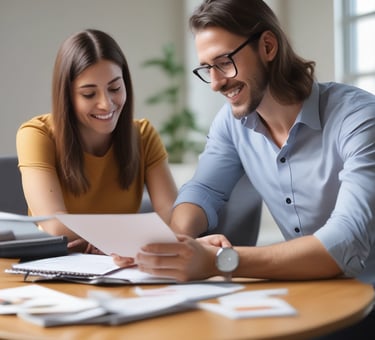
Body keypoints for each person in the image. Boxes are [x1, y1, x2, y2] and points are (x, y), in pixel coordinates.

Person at [114, 0, 375, 337]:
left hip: (367, 303)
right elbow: (203, 190)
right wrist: (176, 244)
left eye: (224, 62)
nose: (216, 83)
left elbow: (345, 241)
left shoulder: (359, 118)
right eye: (207, 68)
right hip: (310, 295)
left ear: (267, 46)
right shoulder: (232, 123)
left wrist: (220, 261)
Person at [16, 29, 178, 255]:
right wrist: (129, 236)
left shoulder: (143, 136)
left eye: (115, 88)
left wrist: (106, 240)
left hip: (123, 265)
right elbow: (54, 227)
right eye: (89, 94)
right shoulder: (36, 134)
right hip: (58, 265)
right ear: (67, 96)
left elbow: (173, 219)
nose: (106, 104)